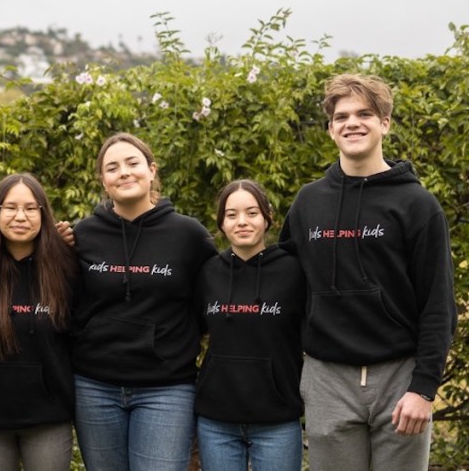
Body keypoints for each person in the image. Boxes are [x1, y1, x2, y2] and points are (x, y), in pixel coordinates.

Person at [279, 73, 456, 471]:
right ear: (330, 129)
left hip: (399, 377)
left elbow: (438, 304)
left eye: (364, 114)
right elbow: (285, 285)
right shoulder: (308, 202)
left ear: (384, 123)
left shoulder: (417, 205)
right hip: (327, 378)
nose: (352, 123)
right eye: (341, 117)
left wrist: (424, 389)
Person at [71, 132, 217, 470]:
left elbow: (209, 304)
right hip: (94, 387)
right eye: (112, 167)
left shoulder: (189, 235)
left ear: (152, 170)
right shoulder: (83, 235)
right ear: (103, 181)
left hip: (166, 389)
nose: (124, 172)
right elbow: (68, 301)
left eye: (132, 163)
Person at [0, 173, 78, 471]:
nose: (20, 217)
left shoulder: (66, 267)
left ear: (43, 214)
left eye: (30, 208)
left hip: (48, 418)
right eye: (10, 207)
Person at [194, 179, 305, 471]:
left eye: (252, 213)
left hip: (277, 419)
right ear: (221, 223)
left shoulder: (294, 271)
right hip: (216, 421)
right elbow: (193, 331)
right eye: (232, 215)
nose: (242, 222)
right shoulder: (208, 272)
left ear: (268, 218)